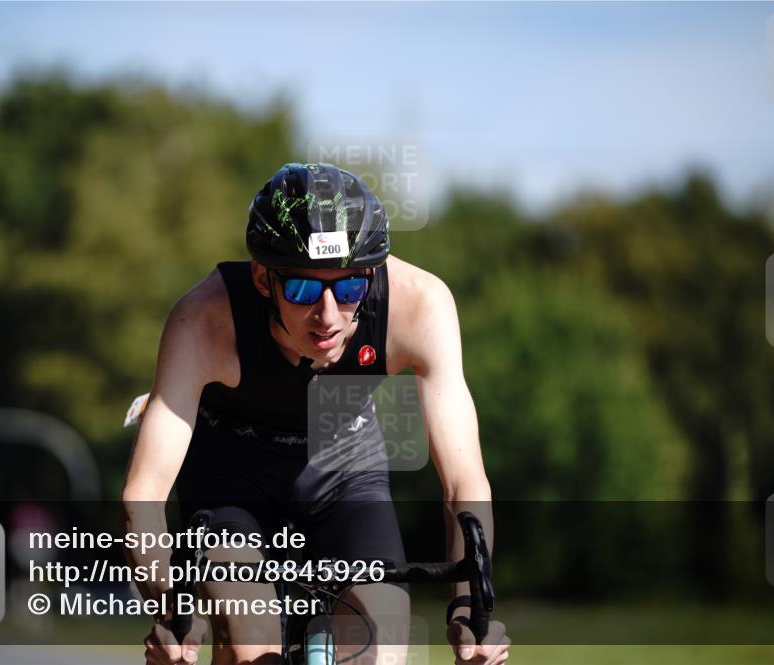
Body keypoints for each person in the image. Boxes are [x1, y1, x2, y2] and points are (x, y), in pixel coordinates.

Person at [121, 163, 509, 665]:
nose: (327, 315)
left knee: (382, 643)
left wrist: (468, 610)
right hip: (232, 472)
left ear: (370, 275)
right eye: (303, 290)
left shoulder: (420, 305)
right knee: (249, 643)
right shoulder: (205, 319)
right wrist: (173, 610)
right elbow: (142, 495)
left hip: (345, 467)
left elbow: (463, 482)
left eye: (348, 290)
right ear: (262, 277)